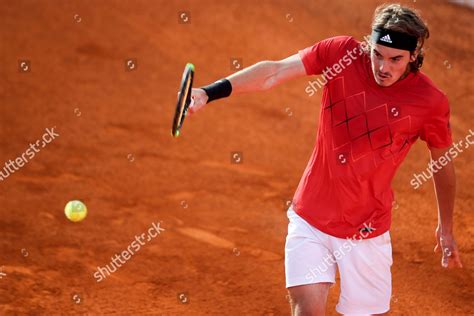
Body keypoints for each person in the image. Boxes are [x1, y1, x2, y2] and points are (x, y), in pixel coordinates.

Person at [185, 3, 463, 315]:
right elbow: (274, 71)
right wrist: (209, 92)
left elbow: (441, 163)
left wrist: (446, 227)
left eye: (395, 59)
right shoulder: (340, 54)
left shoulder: (430, 102)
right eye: (377, 54)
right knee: (307, 310)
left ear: (413, 55)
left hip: (366, 232)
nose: (383, 67)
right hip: (311, 218)